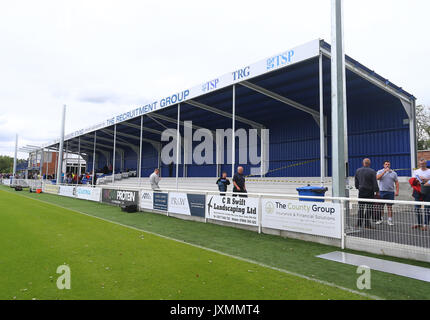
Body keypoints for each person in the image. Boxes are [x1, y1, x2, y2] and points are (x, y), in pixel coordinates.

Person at [355, 158, 379, 228]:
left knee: (361, 208)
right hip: (369, 192)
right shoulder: (372, 171)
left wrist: (357, 187)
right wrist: (376, 191)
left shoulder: (358, 170)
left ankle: (359, 224)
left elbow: (356, 181)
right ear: (369, 163)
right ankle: (367, 224)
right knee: (369, 208)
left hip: (361, 191)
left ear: (363, 163)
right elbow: (375, 182)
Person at [375, 160, 399, 226]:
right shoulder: (380, 171)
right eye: (386, 164)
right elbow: (377, 178)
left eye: (388, 164)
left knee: (389, 207)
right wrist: (384, 172)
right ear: (383, 165)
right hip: (382, 191)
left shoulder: (393, 173)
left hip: (390, 192)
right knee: (381, 207)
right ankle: (380, 219)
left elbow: (396, 182)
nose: (387, 165)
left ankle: (390, 220)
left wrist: (397, 191)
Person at [411, 159, 430, 231]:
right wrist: (417, 180)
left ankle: (425, 224)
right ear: (419, 164)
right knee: (417, 208)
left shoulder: (429, 171)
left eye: (423, 164)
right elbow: (413, 180)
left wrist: (426, 179)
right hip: (417, 191)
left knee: (427, 208)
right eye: (421, 164)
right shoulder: (416, 171)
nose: (422, 165)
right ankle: (419, 223)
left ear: (425, 164)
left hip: (427, 190)